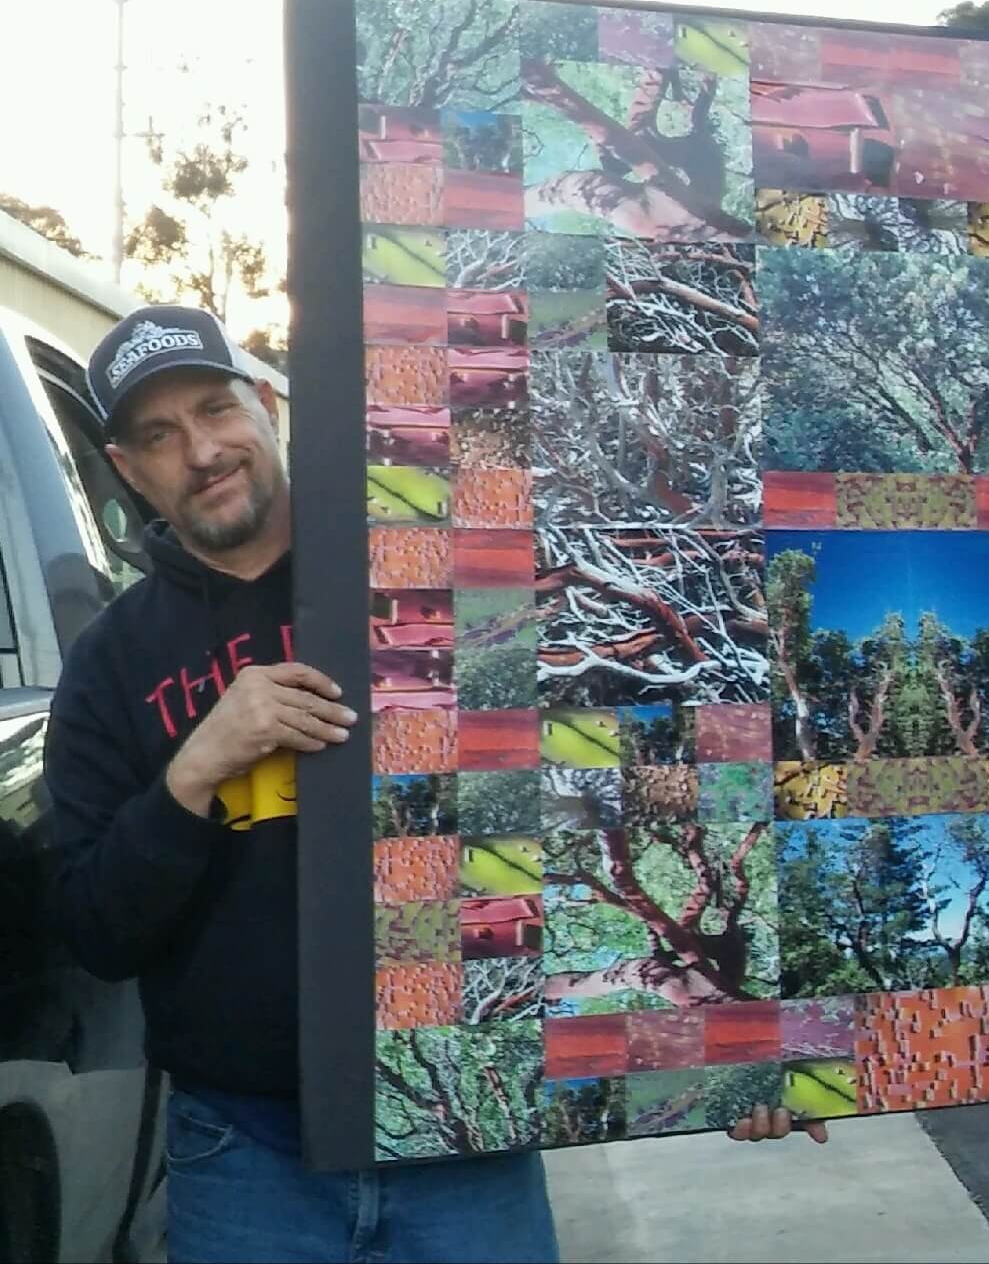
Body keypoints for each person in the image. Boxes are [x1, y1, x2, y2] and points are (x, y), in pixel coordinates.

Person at [44, 305, 824, 1264]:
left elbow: (655, 779)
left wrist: (736, 1037)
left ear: (269, 405)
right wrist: (195, 771)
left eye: (215, 408)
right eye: (159, 436)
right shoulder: (108, 666)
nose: (201, 450)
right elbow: (93, 930)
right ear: (126, 467)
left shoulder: (445, 571)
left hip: (467, 1129)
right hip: (245, 1151)